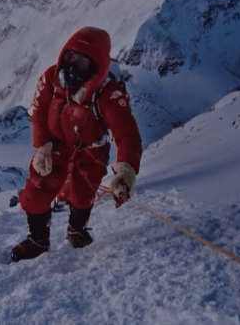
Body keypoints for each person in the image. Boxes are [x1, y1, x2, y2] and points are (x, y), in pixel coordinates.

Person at [11, 26, 143, 262]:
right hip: (55, 146)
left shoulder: (107, 95)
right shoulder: (50, 78)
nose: (71, 68)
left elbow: (127, 134)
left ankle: (77, 230)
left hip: (91, 152)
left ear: (97, 68)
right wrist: (42, 145)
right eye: (70, 58)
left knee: (83, 195)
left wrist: (126, 171)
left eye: (81, 63)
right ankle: (38, 240)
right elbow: (39, 111)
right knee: (36, 190)